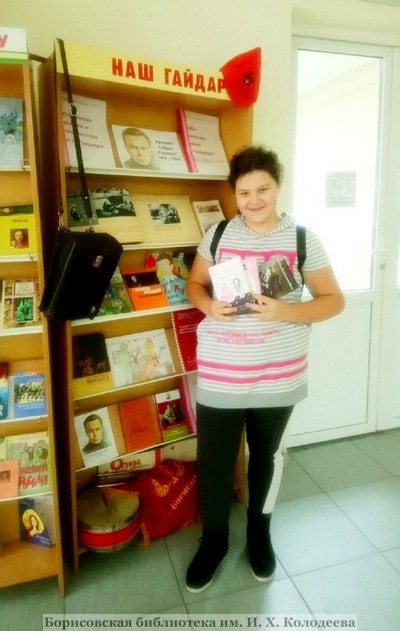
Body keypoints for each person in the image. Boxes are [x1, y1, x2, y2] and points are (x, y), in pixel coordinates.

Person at [184, 145, 344, 593]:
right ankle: (214, 540)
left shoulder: (302, 239)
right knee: (214, 463)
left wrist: (285, 312)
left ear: (278, 187)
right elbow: (194, 284)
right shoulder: (218, 234)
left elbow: (334, 300)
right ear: (234, 193)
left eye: (263, 189)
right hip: (221, 374)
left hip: (278, 375)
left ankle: (259, 533)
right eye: (244, 192)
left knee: (265, 458)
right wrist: (208, 306)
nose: (254, 200)